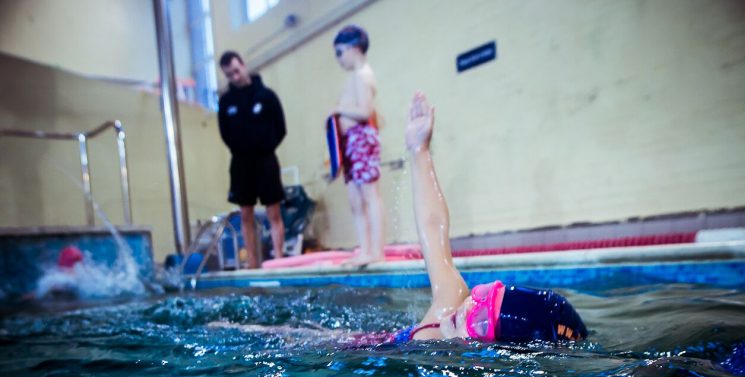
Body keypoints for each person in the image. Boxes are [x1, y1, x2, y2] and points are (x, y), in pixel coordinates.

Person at [211, 93, 588, 348]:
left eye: (478, 317)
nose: (466, 306)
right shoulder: (449, 306)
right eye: (479, 296)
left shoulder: (460, 361)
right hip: (363, 345)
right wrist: (418, 149)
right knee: (285, 335)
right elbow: (433, 226)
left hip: (367, 357)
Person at [218, 50, 286, 268]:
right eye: (229, 75)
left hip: (265, 160)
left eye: (237, 71)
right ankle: (253, 262)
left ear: (244, 66)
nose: (235, 77)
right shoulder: (226, 102)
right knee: (245, 214)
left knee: (273, 212)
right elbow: (225, 133)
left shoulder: (266, 96)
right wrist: (242, 150)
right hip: (241, 164)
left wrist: (264, 147)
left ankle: (278, 259)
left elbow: (281, 128)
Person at [331, 25, 385, 266]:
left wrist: (338, 109)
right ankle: (365, 249)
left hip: (361, 138)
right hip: (352, 142)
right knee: (355, 199)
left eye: (340, 52)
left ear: (354, 47)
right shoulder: (356, 75)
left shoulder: (363, 74)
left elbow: (364, 111)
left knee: (369, 194)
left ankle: (376, 252)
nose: (339, 59)